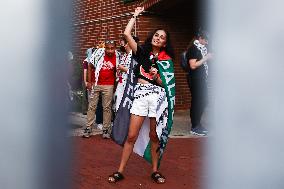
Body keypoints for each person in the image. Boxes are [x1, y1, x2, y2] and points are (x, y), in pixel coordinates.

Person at [108, 7, 175, 184]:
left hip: (157, 97)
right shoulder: (141, 52)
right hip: (140, 95)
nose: (158, 37)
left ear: (164, 43)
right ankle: (120, 170)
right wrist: (135, 15)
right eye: (156, 34)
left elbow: (165, 86)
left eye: (162, 37)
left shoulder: (166, 60)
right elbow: (126, 33)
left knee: (154, 135)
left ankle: (155, 170)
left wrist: (157, 76)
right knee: (131, 135)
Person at [82, 40, 120, 139]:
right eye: (108, 48)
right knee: (92, 106)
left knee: (107, 107)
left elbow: (117, 72)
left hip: (109, 85)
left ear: (115, 48)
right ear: (105, 48)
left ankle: (106, 129)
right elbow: (90, 66)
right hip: (96, 83)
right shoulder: (99, 53)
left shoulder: (118, 56)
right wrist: (90, 82)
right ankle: (88, 127)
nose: (110, 50)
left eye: (112, 48)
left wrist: (115, 87)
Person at [186, 30, 212, 136]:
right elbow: (193, 65)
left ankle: (197, 123)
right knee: (197, 102)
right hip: (195, 79)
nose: (207, 42)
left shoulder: (202, 49)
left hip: (201, 79)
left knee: (204, 101)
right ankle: (195, 126)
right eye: (205, 40)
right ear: (200, 38)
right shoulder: (194, 49)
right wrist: (206, 58)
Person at [113, 36, 139, 113]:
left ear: (128, 43)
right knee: (118, 104)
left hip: (129, 85)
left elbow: (137, 72)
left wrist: (124, 69)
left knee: (127, 107)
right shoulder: (124, 55)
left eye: (122, 41)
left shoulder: (135, 56)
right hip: (121, 83)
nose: (121, 43)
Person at [82, 48, 103, 129]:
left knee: (99, 103)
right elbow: (85, 72)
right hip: (91, 83)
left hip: (99, 83)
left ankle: (99, 121)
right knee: (92, 103)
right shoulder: (86, 61)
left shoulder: (99, 60)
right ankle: (90, 123)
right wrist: (86, 82)